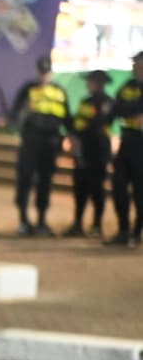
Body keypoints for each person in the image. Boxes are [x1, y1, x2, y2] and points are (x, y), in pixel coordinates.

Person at [8, 55, 71, 236]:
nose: (44, 75)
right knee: (25, 182)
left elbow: (68, 119)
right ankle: (23, 221)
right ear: (37, 71)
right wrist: (19, 115)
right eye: (41, 71)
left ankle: (42, 221)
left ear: (51, 72)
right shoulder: (28, 90)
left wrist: (73, 137)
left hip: (50, 146)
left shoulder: (60, 92)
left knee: (45, 183)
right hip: (30, 144)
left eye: (47, 71)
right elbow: (15, 116)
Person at [68, 70, 115, 239]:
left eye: (90, 81)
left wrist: (79, 138)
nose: (88, 83)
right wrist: (73, 136)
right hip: (83, 152)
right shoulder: (85, 101)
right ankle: (77, 224)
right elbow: (76, 122)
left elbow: (98, 125)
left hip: (98, 152)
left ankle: (96, 225)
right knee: (79, 187)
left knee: (97, 189)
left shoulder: (108, 102)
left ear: (99, 83)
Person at [108, 52, 143, 247]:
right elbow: (115, 109)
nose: (135, 65)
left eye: (138, 62)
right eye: (135, 62)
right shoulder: (128, 86)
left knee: (140, 192)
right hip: (126, 141)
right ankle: (123, 230)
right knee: (118, 185)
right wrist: (132, 110)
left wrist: (126, 109)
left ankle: (137, 233)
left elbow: (123, 108)